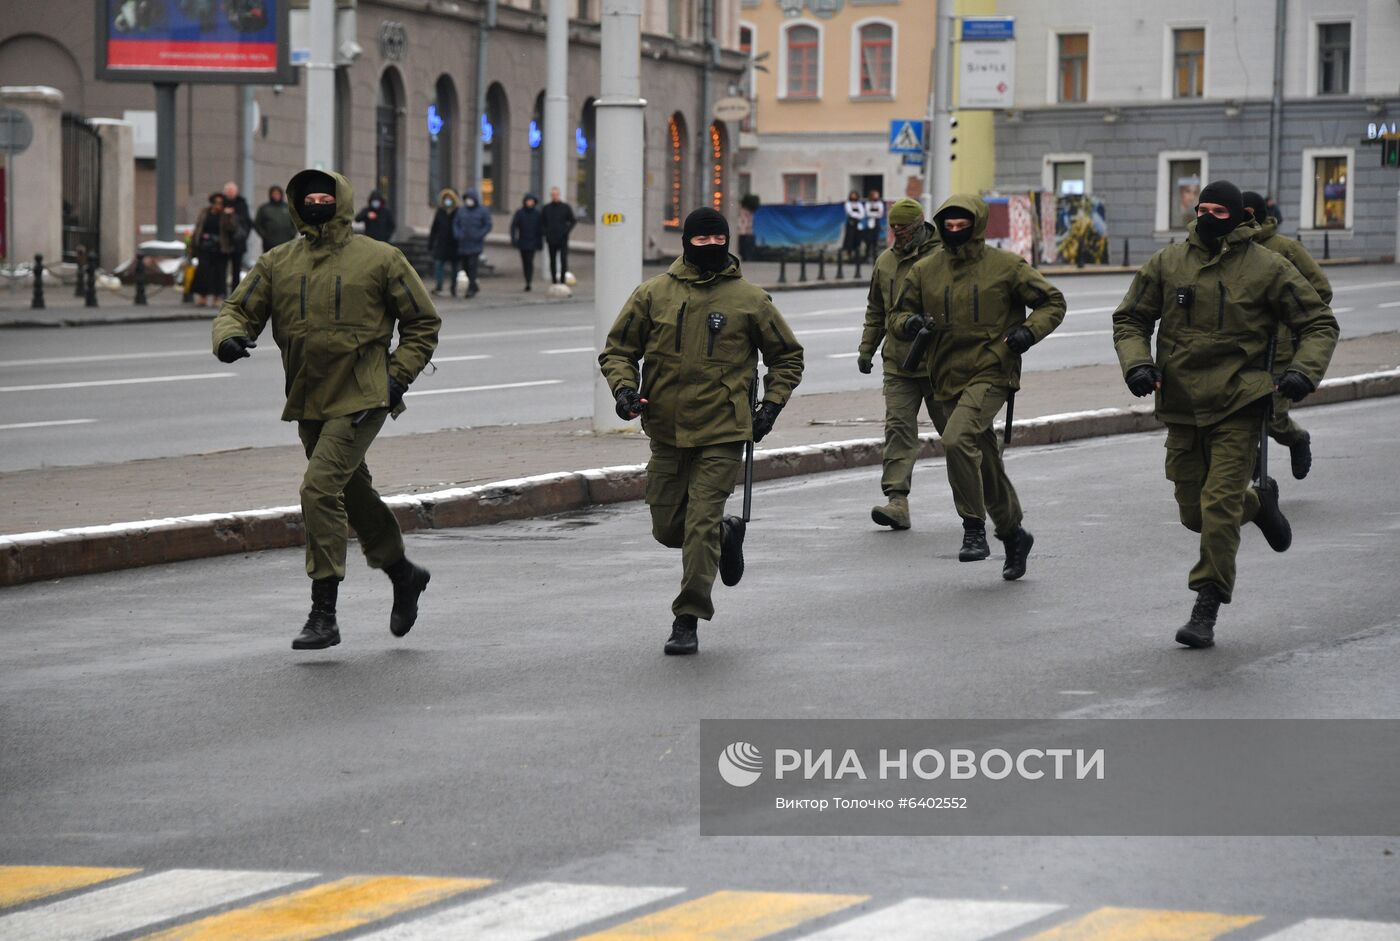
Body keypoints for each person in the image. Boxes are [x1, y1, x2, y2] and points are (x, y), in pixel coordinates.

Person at [211, 169, 442, 651]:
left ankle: (324, 613)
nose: (317, 203)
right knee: (350, 492)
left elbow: (422, 323)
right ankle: (403, 573)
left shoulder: (380, 258)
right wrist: (229, 337)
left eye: (326, 196)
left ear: (341, 203)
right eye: (309, 196)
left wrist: (394, 377)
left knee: (318, 489)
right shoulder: (278, 262)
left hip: (363, 395)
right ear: (297, 204)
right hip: (309, 397)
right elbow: (238, 308)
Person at [1111, 180, 1338, 649]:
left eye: (1219, 210)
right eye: (1201, 208)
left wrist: (1301, 372)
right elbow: (1131, 318)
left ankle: (1206, 605)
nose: (1208, 216)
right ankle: (1257, 507)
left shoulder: (1268, 267)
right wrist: (1137, 363)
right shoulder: (1169, 262)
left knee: (1217, 509)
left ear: (1238, 216)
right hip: (1181, 404)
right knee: (1195, 514)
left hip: (1240, 401)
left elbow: (1318, 322)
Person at [599, 207, 805, 656]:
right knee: (668, 528)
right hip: (667, 431)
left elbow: (787, 357)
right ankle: (727, 534)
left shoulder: (750, 300)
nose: (711, 247)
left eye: (719, 240)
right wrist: (624, 390)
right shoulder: (653, 295)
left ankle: (687, 617)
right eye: (702, 240)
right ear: (686, 243)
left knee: (698, 524)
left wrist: (769, 407)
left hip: (723, 431)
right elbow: (618, 350)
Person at [893, 194, 1066, 579]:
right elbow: (898, 315)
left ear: (978, 225)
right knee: (985, 460)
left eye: (963, 224)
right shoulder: (925, 270)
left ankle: (974, 529)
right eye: (949, 224)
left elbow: (1052, 302)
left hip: (993, 369)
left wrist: (1026, 332)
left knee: (956, 439)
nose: (956, 230)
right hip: (946, 377)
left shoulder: (1006, 267)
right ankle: (1013, 533)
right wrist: (910, 325)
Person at [858, 197, 941, 530]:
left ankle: (983, 495)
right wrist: (866, 348)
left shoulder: (943, 257)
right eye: (893, 229)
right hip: (899, 364)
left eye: (904, 229)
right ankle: (897, 502)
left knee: (959, 435)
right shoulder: (886, 262)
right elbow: (876, 310)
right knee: (898, 431)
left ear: (920, 225)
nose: (898, 235)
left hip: (939, 363)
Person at [1242, 189, 1332, 481]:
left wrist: (1287, 317)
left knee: (1274, 417)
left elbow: (1321, 291)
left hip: (1278, 350)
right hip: (1241, 349)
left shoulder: (1285, 249)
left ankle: (1296, 439)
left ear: (1250, 216)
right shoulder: (1228, 248)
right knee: (1237, 416)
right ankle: (1248, 472)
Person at [190, 192, 238, 308]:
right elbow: (198, 227)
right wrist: (194, 243)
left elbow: (232, 228)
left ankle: (217, 297)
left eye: (220, 203)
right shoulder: (205, 212)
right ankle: (203, 296)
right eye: (216, 203)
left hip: (220, 248)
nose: (218, 205)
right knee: (203, 271)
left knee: (219, 273)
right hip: (205, 246)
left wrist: (228, 216)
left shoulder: (226, 214)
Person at [453, 188, 492, 298]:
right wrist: (458, 233)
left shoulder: (482, 211)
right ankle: (474, 284)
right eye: (467, 199)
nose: (469, 201)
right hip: (463, 243)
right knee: (465, 266)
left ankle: (471, 289)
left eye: (471, 199)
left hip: (475, 244)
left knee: (472, 266)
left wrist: (480, 234)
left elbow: (488, 225)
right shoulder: (461, 210)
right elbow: (456, 223)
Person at [428, 188, 460, 296]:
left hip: (454, 243)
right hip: (442, 243)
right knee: (439, 264)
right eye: (445, 199)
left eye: (449, 199)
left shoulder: (458, 212)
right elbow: (434, 228)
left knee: (455, 266)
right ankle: (439, 286)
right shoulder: (440, 212)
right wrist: (431, 243)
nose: (447, 201)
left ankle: (453, 286)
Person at [541, 186, 576, 285]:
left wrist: (566, 231)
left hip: (563, 239)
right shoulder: (546, 208)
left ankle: (562, 280)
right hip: (551, 238)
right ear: (550, 196)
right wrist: (546, 232)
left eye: (556, 194)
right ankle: (554, 281)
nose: (554, 196)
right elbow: (542, 223)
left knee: (563, 259)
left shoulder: (565, 207)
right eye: (553, 195)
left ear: (559, 195)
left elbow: (573, 220)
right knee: (552, 260)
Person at [510, 193, 544, 291]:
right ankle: (527, 279)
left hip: (532, 242)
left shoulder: (537, 214)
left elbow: (540, 230)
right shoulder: (520, 213)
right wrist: (514, 239)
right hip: (523, 241)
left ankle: (528, 281)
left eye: (531, 201)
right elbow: (514, 226)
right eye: (528, 201)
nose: (529, 202)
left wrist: (539, 243)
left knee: (529, 261)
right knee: (525, 262)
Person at [222, 181, 252, 294]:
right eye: (228, 191)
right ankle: (222, 292)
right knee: (222, 269)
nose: (230, 193)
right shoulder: (222, 203)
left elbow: (247, 222)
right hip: (224, 241)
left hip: (238, 242)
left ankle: (235, 292)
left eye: (232, 191)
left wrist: (243, 236)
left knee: (236, 269)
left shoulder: (241, 203)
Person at [253, 185, 297, 252]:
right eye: (274, 194)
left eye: (278, 193)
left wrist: (292, 234)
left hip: (286, 243)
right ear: (271, 195)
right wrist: (264, 235)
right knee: (269, 262)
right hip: (269, 244)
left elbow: (295, 222)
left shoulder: (288, 208)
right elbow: (257, 224)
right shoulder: (264, 208)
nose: (276, 195)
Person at [843, 190, 867, 264]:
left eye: (855, 195)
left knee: (857, 239)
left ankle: (856, 256)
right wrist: (857, 215)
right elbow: (850, 212)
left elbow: (862, 213)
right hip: (851, 223)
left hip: (858, 224)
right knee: (850, 239)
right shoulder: (848, 204)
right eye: (852, 195)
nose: (854, 197)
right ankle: (849, 255)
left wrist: (858, 216)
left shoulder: (859, 204)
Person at [863, 189, 886, 263]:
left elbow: (880, 214)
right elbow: (867, 213)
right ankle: (867, 256)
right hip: (870, 223)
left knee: (875, 240)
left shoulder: (879, 203)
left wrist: (874, 214)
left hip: (876, 223)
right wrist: (875, 214)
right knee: (868, 241)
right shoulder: (868, 204)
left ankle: (875, 256)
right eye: (875, 195)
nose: (876, 196)